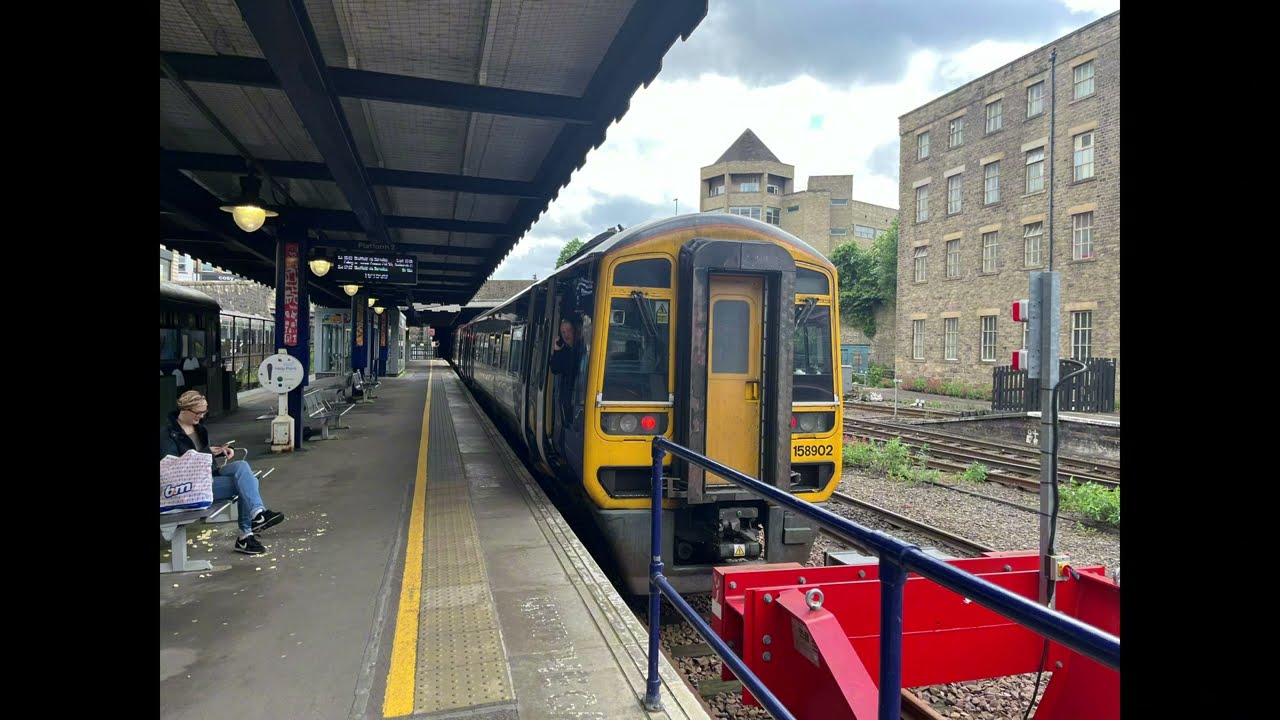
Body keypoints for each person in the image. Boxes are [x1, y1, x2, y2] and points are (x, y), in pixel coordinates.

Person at [160, 391, 286, 555]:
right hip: (190, 487)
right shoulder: (168, 434)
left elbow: (201, 452)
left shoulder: (199, 427)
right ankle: (247, 534)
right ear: (185, 409)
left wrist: (220, 451)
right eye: (198, 413)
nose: (202, 416)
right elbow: (173, 465)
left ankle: (257, 514)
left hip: (207, 475)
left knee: (241, 467)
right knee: (247, 484)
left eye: (204, 412)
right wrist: (205, 454)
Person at [549, 318, 581, 428]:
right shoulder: (563, 350)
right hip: (567, 397)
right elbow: (554, 369)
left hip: (579, 395)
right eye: (563, 332)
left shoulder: (582, 348)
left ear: (576, 331)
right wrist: (556, 350)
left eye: (569, 330)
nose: (566, 334)